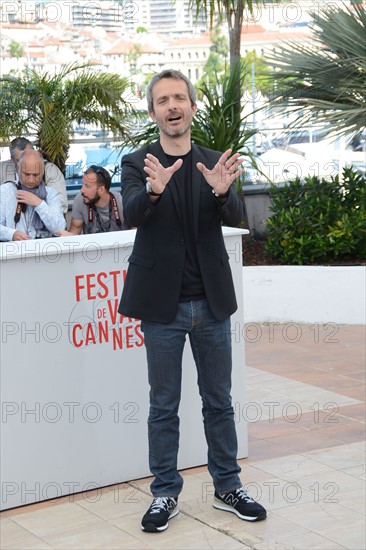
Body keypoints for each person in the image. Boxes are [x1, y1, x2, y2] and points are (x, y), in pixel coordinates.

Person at [118, 69, 267, 533]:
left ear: (192, 106)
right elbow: (132, 213)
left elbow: (240, 217)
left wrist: (224, 193)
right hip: (162, 307)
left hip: (210, 303)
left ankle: (228, 485)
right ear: (153, 112)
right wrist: (155, 190)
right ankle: (164, 492)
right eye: (163, 100)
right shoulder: (137, 162)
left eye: (179, 97)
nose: (172, 106)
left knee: (218, 400)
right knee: (163, 403)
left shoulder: (212, 161)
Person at [0, 149, 66, 241]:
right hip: (14, 252)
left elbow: (60, 229)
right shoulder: (5, 191)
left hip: (45, 251)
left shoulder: (51, 194)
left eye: (35, 175)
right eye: (26, 174)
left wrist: (39, 203)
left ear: (42, 172)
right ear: (18, 169)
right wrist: (11, 234)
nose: (31, 180)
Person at [0, 137, 68, 214]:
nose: (26, 161)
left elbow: (61, 206)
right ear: (12, 159)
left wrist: (38, 204)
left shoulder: (51, 170)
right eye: (20, 159)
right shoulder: (2, 169)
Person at [57, 165, 128, 235]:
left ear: (101, 189)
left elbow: (135, 229)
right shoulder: (80, 199)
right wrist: (67, 236)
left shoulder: (122, 201)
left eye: (87, 186)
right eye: (82, 184)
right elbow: (75, 230)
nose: (82, 190)